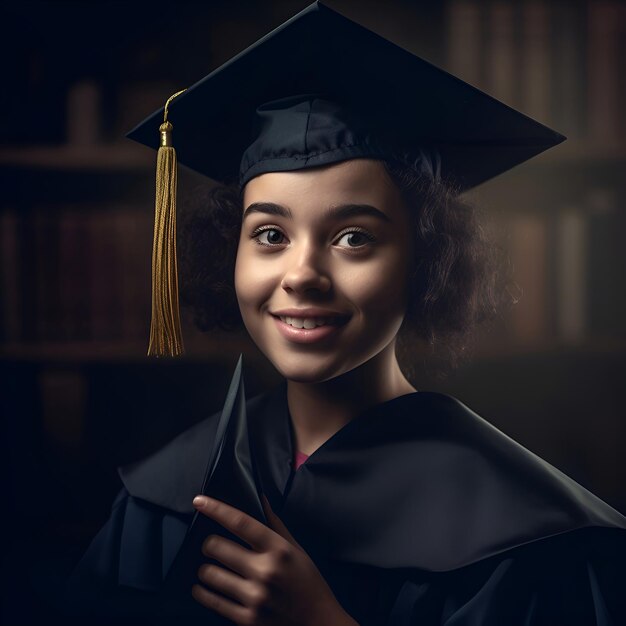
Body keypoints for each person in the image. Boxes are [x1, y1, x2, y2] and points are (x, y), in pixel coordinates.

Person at [63, 2, 626, 625]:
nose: (302, 273)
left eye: (354, 237)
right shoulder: (162, 494)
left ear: (426, 262)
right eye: (270, 235)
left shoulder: (531, 537)